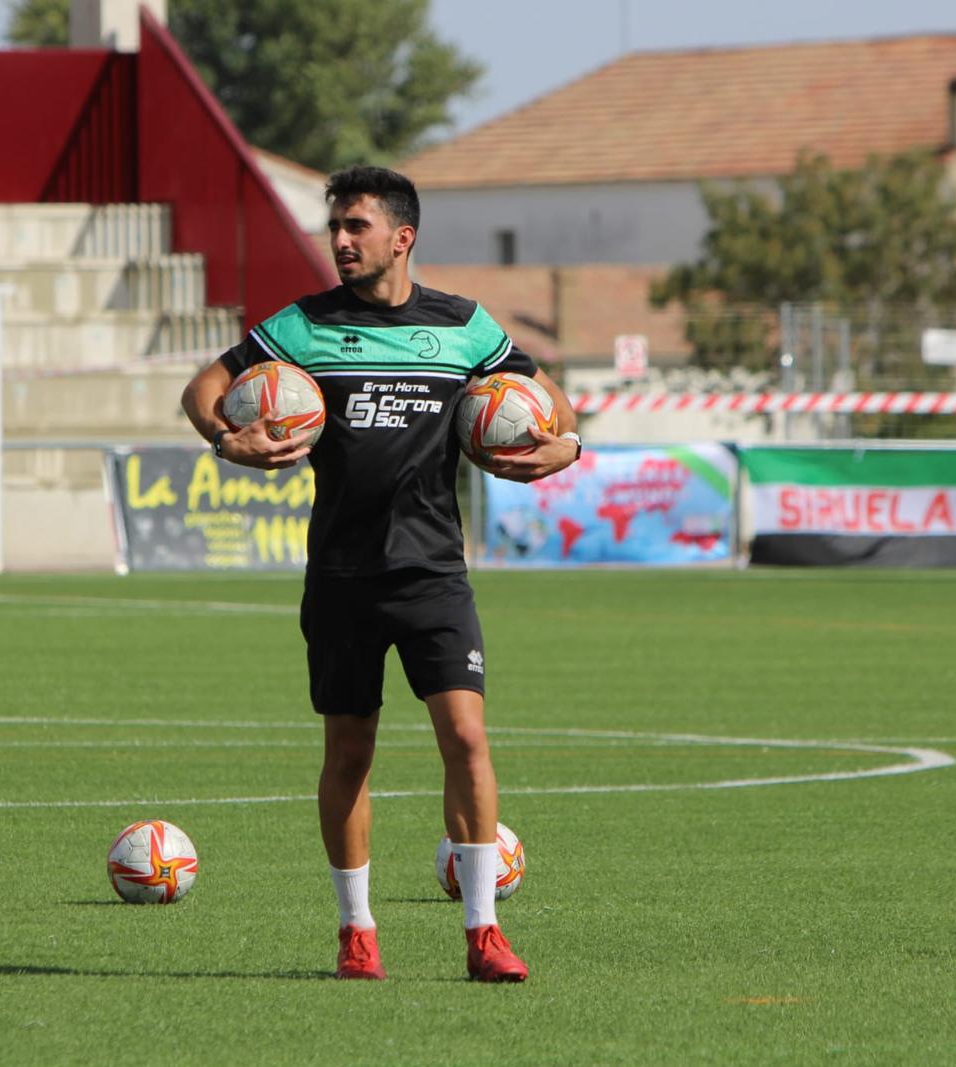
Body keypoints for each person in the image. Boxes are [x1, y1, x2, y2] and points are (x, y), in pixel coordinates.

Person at [180, 165, 580, 982]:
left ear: (402, 237)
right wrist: (230, 441)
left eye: (356, 227)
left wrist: (563, 449)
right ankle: (357, 931)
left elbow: (560, 414)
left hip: (433, 571)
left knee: (466, 737)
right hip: (341, 574)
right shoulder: (303, 326)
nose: (340, 241)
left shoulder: (464, 328)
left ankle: (484, 932)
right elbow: (205, 388)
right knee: (350, 750)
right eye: (335, 227)